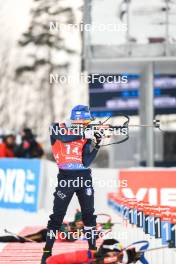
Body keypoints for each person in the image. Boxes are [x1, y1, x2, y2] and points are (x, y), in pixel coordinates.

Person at [41, 105, 102, 264]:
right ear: (78, 119)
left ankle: (93, 250)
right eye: (86, 120)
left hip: (84, 177)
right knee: (57, 217)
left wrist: (97, 143)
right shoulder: (57, 128)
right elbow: (64, 138)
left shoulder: (86, 134)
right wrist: (84, 132)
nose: (88, 123)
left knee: (89, 215)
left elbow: (86, 161)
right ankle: (47, 252)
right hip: (66, 177)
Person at [46, 238, 142, 264]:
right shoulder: (86, 255)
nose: (116, 257)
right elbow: (51, 260)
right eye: (114, 253)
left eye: (118, 253)